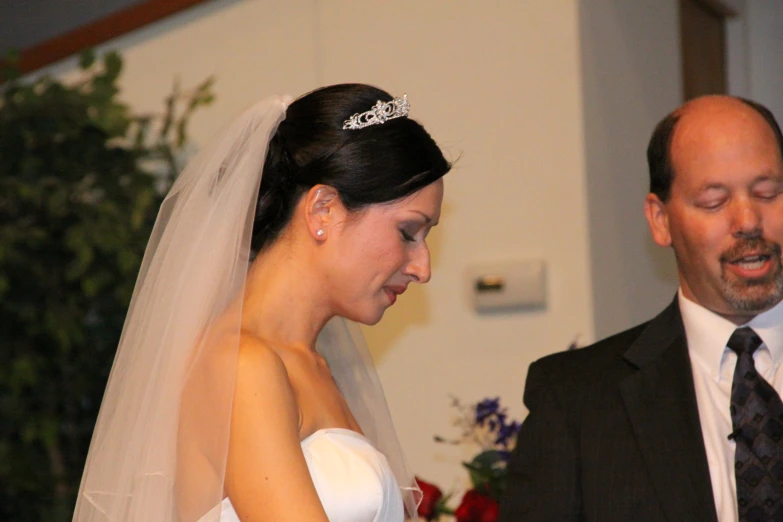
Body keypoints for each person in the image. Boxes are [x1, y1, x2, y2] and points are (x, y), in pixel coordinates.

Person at [72, 84, 451, 522]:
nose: (422, 268)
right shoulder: (239, 364)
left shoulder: (310, 365)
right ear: (323, 210)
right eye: (408, 232)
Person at [498, 95, 783, 522]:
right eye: (714, 201)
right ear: (660, 220)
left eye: (768, 193)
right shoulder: (577, 403)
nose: (747, 220)